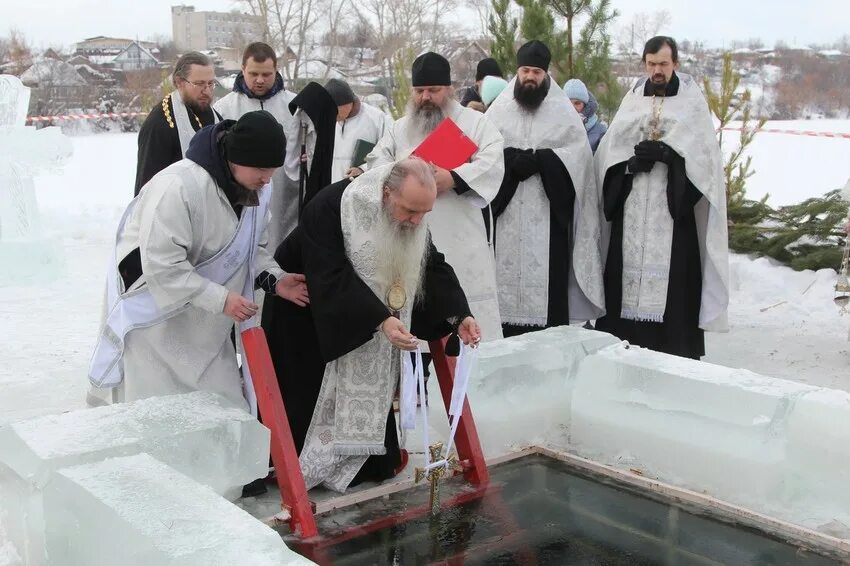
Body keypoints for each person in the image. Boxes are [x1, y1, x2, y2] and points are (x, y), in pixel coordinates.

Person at [268, 158, 480, 492]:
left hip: (365, 318)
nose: (415, 221)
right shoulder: (331, 206)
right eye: (410, 211)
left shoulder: (410, 214)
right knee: (306, 394)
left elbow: (430, 265)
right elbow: (330, 275)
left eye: (424, 213)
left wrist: (459, 315)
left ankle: (364, 462)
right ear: (386, 193)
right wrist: (381, 319)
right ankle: (303, 468)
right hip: (306, 312)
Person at [88, 111, 309, 412]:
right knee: (158, 422)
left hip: (208, 333)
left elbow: (250, 246)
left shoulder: (259, 189)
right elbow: (162, 266)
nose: (267, 178)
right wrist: (221, 299)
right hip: (155, 328)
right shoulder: (178, 186)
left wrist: (275, 278)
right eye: (260, 168)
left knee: (225, 415)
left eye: (272, 170)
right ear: (235, 157)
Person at [352, 52, 505, 348]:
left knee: (462, 324)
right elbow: (376, 163)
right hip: (409, 237)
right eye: (419, 91)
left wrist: (454, 177)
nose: (426, 98)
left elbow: (493, 163)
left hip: (459, 238)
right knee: (415, 323)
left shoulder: (475, 124)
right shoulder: (399, 128)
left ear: (448, 89)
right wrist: (400, 178)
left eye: (433, 91)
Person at [594, 36, 729, 359]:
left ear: (676, 65)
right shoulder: (632, 102)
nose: (657, 71)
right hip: (631, 212)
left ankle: (674, 356)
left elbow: (704, 161)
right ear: (645, 64)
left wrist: (671, 156)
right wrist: (629, 165)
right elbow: (607, 158)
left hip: (673, 217)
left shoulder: (692, 104)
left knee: (675, 292)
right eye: (652, 64)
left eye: (663, 65)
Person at [485, 40, 605, 337]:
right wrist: (511, 159)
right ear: (518, 71)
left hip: (548, 219)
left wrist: (542, 161)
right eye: (525, 70)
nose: (529, 77)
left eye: (536, 72)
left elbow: (579, 158)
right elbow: (482, 152)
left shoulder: (562, 110)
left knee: (547, 317)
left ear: (545, 74)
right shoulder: (498, 110)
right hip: (506, 218)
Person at [215, 42, 303, 250]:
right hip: (241, 197)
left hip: (286, 198)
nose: (260, 80)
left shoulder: (296, 107)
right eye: (254, 73)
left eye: (267, 74)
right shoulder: (223, 108)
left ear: (276, 71)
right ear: (242, 69)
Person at [134, 52, 221, 196]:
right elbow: (148, 188)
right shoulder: (159, 124)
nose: (207, 91)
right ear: (179, 82)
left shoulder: (213, 115)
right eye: (199, 84)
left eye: (210, 83)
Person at [325, 78, 393, 183]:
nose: (331, 112)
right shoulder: (325, 120)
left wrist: (363, 169)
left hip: (363, 187)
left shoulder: (378, 119)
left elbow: (389, 154)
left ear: (349, 102)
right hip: (330, 188)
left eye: (334, 108)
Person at [563, 78, 608, 153]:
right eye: (568, 103)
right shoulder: (557, 127)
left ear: (585, 105)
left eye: (577, 103)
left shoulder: (600, 132)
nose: (572, 107)